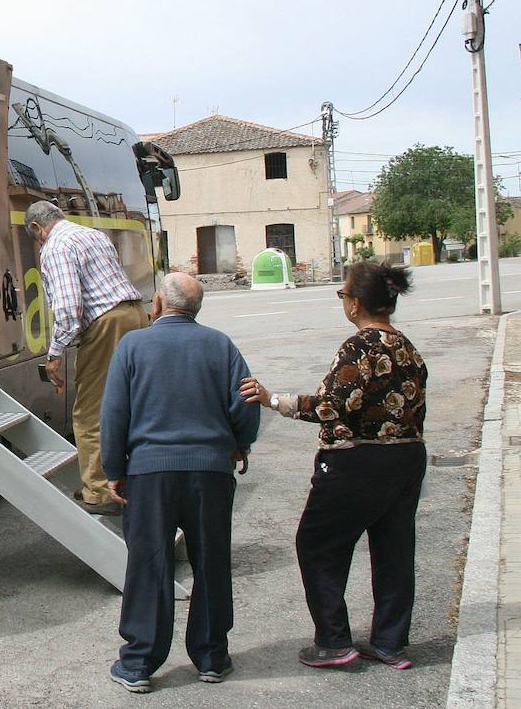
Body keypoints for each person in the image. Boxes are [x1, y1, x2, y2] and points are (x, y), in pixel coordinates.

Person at [240, 261, 426, 671]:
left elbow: (330, 405)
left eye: (343, 294)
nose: (342, 301)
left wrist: (275, 400)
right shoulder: (406, 346)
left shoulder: (359, 346)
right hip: (408, 457)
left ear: (356, 304)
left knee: (317, 544)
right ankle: (390, 643)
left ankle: (334, 639)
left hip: (357, 461)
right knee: (394, 551)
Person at [100, 272, 260, 694]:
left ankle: (137, 663)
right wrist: (240, 443)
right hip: (210, 471)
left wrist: (113, 468)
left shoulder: (132, 346)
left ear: (157, 303)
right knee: (211, 559)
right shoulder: (219, 344)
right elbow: (245, 398)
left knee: (149, 564)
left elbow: (114, 413)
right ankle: (211, 657)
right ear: (197, 309)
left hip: (149, 474)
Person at [24, 199, 145, 515]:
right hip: (134, 315)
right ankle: (134, 481)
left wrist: (54, 354)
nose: (38, 242)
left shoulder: (55, 247)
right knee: (129, 404)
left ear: (38, 228)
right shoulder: (91, 234)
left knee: (90, 412)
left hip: (106, 325)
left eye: (35, 236)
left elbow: (68, 308)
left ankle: (100, 493)